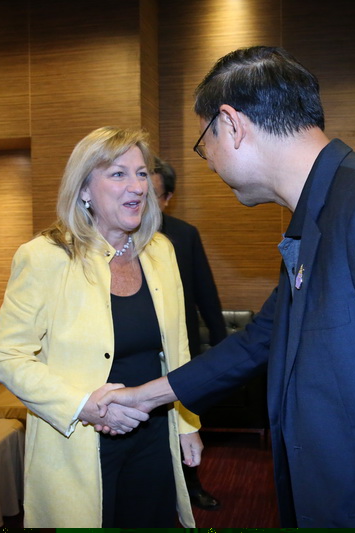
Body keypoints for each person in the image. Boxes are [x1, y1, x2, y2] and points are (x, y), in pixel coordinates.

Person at [97, 46, 355, 528]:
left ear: (231, 124)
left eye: (204, 141)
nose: (208, 161)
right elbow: (260, 340)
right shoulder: (318, 215)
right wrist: (146, 396)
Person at [0, 127, 201, 528]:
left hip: (155, 434)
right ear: (84, 189)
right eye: (118, 174)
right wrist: (82, 404)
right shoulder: (45, 257)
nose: (137, 186)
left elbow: (178, 348)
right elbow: (4, 355)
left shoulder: (160, 251)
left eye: (141, 173)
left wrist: (187, 424)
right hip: (80, 440)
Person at [151, 156, 227, 511]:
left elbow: (205, 291)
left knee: (187, 418)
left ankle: (192, 484)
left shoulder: (184, 235)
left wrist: (221, 344)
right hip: (138, 351)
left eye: (152, 194)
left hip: (181, 348)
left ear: (168, 198)